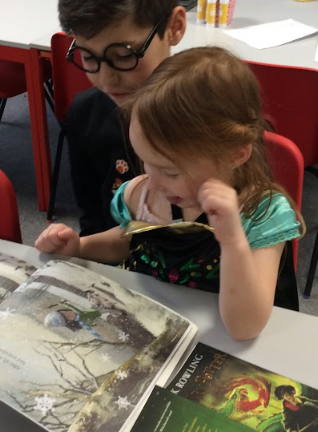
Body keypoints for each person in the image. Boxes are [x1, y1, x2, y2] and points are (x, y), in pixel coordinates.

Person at [36, 47, 304, 340]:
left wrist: (232, 242)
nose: (152, 181)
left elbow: (245, 328)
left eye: (171, 172)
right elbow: (128, 241)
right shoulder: (145, 193)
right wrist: (80, 246)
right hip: (153, 327)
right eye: (144, 160)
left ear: (236, 154)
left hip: (223, 344)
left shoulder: (262, 215)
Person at [57, 0, 186, 236]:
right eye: (88, 57)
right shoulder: (85, 113)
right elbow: (90, 216)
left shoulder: (211, 114)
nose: (105, 79)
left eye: (124, 54)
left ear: (174, 28)